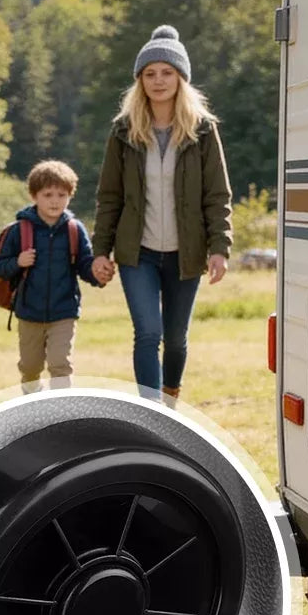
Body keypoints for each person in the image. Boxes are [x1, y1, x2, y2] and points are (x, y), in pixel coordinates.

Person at [91, 25, 232, 404]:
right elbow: (109, 196)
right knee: (148, 333)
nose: (158, 81)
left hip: (186, 253)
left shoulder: (203, 131)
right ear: (140, 81)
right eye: (150, 73)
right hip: (138, 253)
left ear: (181, 78)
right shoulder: (124, 132)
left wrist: (220, 247)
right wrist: (99, 251)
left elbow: (217, 196)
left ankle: (170, 399)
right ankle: (151, 413)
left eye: (167, 72)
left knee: (175, 339)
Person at [0, 159, 103, 391]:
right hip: (28, 312)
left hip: (64, 311)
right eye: (48, 194)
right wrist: (18, 262)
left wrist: (97, 273)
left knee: (60, 364)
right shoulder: (19, 230)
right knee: (30, 367)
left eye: (62, 195)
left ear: (70, 196)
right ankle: (33, 410)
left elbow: (84, 265)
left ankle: (59, 416)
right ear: (34, 196)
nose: (55, 201)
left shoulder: (74, 229)